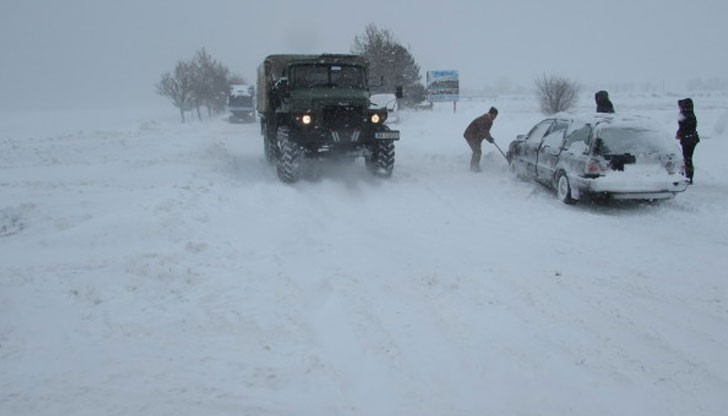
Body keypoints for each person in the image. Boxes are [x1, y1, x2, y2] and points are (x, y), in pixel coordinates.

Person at [463, 107, 498, 172]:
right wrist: (489, 138)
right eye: (495, 115)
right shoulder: (485, 119)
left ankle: (474, 166)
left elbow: (485, 131)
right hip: (470, 135)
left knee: (477, 150)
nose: (495, 117)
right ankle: (474, 167)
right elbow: (483, 131)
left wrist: (489, 138)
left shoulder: (488, 119)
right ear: (492, 114)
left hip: (474, 136)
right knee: (477, 151)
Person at [676, 98, 700, 184]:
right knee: (687, 158)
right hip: (691, 139)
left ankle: (687, 177)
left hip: (688, 139)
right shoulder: (691, 114)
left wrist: (679, 134)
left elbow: (683, 128)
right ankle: (688, 176)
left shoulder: (685, 115)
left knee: (686, 158)